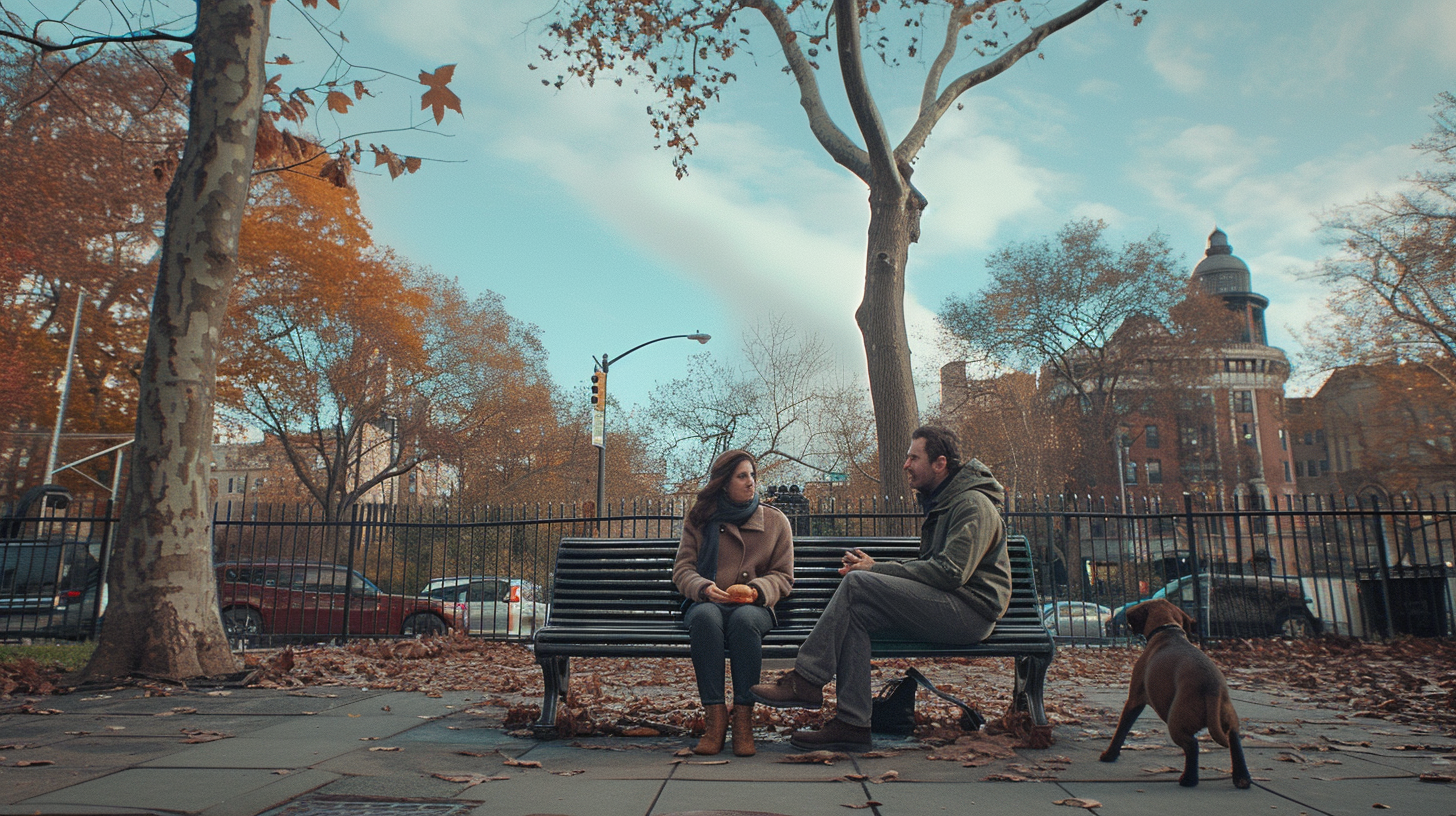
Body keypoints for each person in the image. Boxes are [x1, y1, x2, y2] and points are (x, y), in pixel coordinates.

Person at [750, 425, 1010, 751]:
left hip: (969, 612)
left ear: (940, 463)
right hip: (948, 603)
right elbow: (932, 570)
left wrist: (876, 570)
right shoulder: (947, 502)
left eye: (914, 457)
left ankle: (807, 680)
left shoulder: (971, 505)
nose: (906, 465)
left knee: (858, 582)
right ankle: (852, 725)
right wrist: (878, 568)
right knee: (857, 614)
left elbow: (950, 572)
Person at [673, 449, 794, 757]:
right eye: (742, 476)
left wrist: (756, 590)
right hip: (708, 601)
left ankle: (743, 720)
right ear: (724, 483)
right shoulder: (700, 519)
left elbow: (783, 576)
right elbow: (683, 569)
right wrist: (702, 587)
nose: (751, 482)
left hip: (754, 606)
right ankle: (715, 720)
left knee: (743, 621)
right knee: (705, 618)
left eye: (752, 475)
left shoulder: (775, 521)